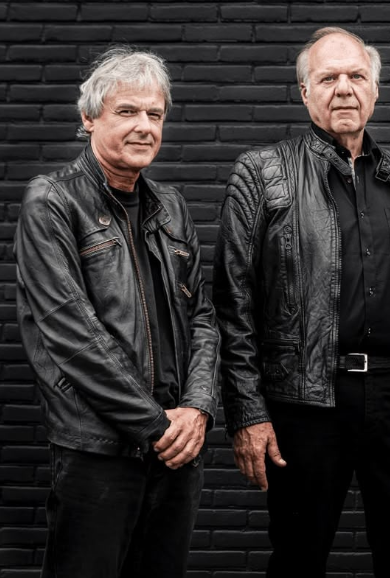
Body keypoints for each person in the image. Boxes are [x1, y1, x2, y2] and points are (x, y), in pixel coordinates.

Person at [213, 27, 390, 578]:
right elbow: (233, 304)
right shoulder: (262, 173)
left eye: (356, 76)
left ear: (375, 89)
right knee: (298, 559)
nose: (344, 88)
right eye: (328, 78)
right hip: (305, 402)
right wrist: (248, 412)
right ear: (305, 92)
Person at [14, 47, 220, 578]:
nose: (144, 126)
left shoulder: (171, 207)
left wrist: (197, 409)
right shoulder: (52, 202)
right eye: (127, 111)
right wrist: (155, 425)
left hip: (175, 450)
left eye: (155, 114)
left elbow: (202, 318)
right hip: (98, 452)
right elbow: (73, 336)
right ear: (89, 118)